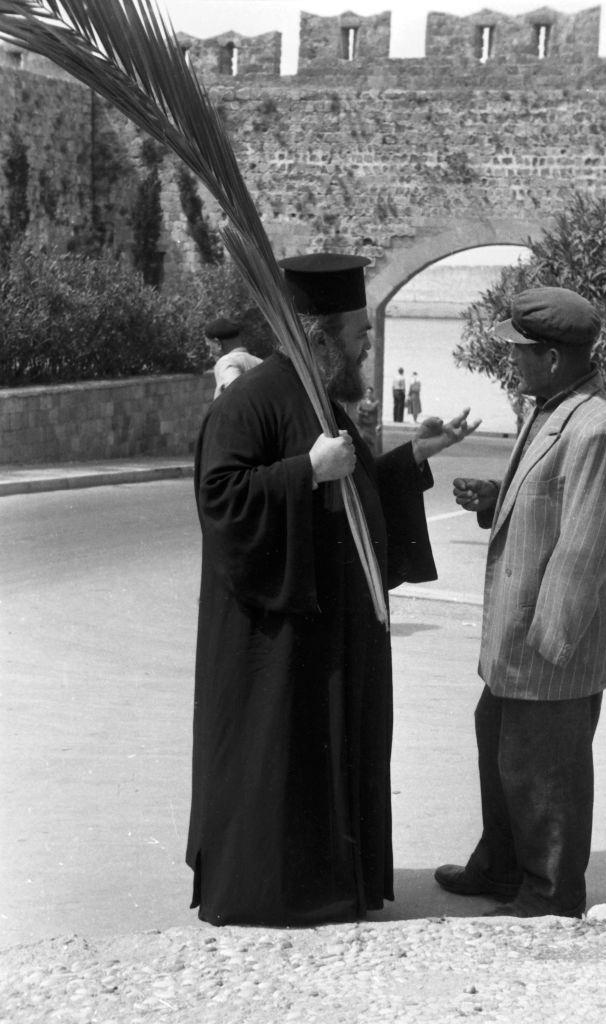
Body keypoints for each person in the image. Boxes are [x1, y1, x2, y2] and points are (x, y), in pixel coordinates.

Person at [188, 252, 480, 927]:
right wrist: (304, 472)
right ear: (321, 338)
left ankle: (330, 883)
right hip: (277, 642)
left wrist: (411, 458)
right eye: (359, 334)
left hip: (331, 633)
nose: (368, 346)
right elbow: (221, 501)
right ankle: (276, 893)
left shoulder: (325, 403)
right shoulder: (249, 402)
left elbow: (356, 489)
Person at [434, 286, 606, 919]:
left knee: (545, 770)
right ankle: (499, 867)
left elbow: (584, 550)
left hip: (550, 645)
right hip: (520, 641)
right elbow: (549, 502)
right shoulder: (553, 409)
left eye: (520, 352)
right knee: (499, 743)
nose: (511, 362)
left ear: (551, 358)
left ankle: (549, 896)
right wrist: (498, 500)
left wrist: (549, 656)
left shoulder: (596, 428)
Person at [205, 315, 263, 399]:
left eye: (209, 347)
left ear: (218, 344)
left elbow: (236, 394)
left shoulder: (227, 361)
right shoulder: (259, 362)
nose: (210, 354)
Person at [357, 385, 381, 453]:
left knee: (372, 442)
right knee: (364, 441)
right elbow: (358, 410)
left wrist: (379, 424)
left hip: (372, 425)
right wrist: (362, 413)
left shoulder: (376, 402)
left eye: (370, 392)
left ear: (372, 393)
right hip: (364, 425)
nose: (368, 394)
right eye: (367, 392)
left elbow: (378, 414)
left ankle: (373, 456)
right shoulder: (362, 402)